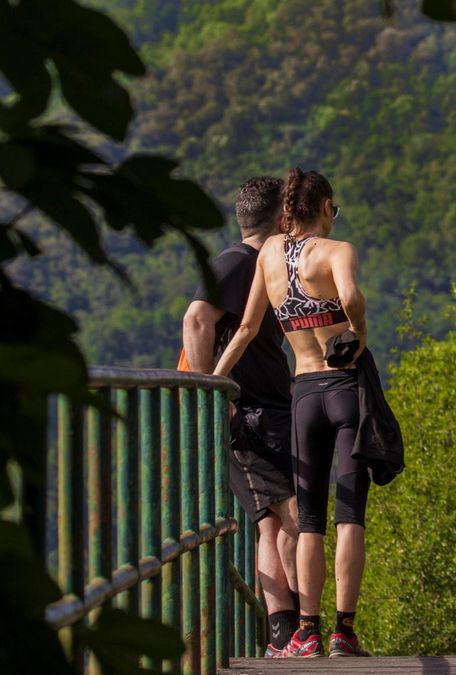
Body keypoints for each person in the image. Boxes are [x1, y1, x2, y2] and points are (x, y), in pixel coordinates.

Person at [214, 167, 372, 658]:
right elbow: (348, 297)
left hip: (301, 392)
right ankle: (344, 633)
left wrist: (214, 382)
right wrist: (357, 335)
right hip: (344, 385)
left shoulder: (269, 256)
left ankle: (307, 631)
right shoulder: (337, 251)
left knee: (309, 521)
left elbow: (244, 328)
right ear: (325, 206)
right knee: (349, 515)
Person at [181, 176, 301, 658]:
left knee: (274, 522)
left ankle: (289, 634)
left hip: (265, 408)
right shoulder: (237, 263)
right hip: (251, 414)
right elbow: (195, 319)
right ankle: (290, 635)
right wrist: (216, 390)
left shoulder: (251, 264)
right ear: (281, 219)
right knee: (291, 518)